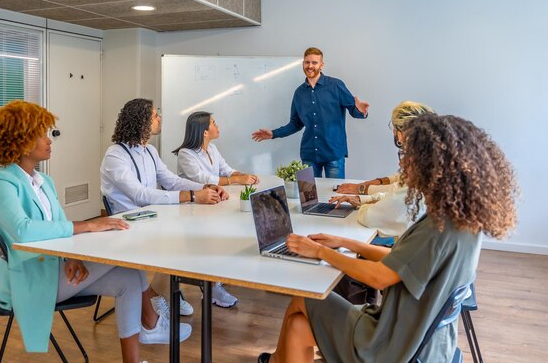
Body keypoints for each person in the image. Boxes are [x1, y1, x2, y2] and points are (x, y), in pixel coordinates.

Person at [258, 114, 518, 363]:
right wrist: (347, 243)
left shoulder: (436, 230)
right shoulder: (460, 223)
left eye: (408, 156)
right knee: (297, 325)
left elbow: (379, 277)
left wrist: (320, 252)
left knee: (303, 299)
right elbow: (400, 264)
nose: (403, 164)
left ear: (434, 166)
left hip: (394, 345)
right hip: (428, 341)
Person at [0, 101, 180, 363]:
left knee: (130, 277)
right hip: (28, 280)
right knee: (124, 255)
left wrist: (72, 257)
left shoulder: (44, 181)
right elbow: (24, 230)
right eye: (42, 134)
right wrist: (87, 225)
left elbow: (59, 227)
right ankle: (152, 325)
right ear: (21, 141)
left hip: (54, 269)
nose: (49, 140)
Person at [101, 99, 229, 317]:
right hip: (128, 223)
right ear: (141, 121)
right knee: (180, 242)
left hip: (152, 217)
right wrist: (191, 196)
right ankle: (156, 292)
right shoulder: (116, 155)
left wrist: (206, 187)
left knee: (195, 232)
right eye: (154, 115)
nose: (159, 118)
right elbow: (139, 194)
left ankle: (164, 290)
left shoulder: (149, 150)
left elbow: (171, 180)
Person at [173, 111, 258, 308]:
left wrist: (244, 175)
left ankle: (217, 280)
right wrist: (236, 180)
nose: (217, 126)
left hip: (212, 205)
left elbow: (226, 170)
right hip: (191, 211)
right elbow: (204, 179)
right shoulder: (186, 154)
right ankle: (212, 287)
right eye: (214, 123)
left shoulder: (213, 149)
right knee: (216, 237)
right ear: (204, 131)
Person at [252, 47, 369, 178]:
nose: (310, 66)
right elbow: (296, 123)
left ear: (321, 65)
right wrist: (273, 133)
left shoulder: (336, 85)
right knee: (308, 196)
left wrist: (361, 111)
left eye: (314, 62)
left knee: (335, 195)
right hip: (309, 154)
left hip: (334, 153)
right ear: (303, 64)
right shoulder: (299, 93)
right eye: (307, 62)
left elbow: (354, 110)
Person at [331, 101, 435, 238]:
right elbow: (398, 188)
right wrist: (363, 197)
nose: (393, 132)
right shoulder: (431, 156)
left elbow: (371, 215)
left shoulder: (419, 162)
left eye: (394, 127)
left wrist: (363, 194)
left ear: (402, 130)